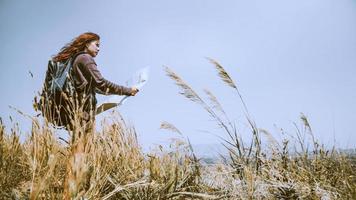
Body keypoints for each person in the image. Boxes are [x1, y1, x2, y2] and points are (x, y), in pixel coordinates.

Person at [51, 32, 138, 131]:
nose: (99, 49)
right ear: (87, 44)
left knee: (80, 143)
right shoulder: (85, 58)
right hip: (83, 111)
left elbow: (98, 87)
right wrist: (128, 90)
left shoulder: (77, 59)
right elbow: (101, 83)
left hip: (77, 110)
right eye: (97, 45)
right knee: (82, 144)